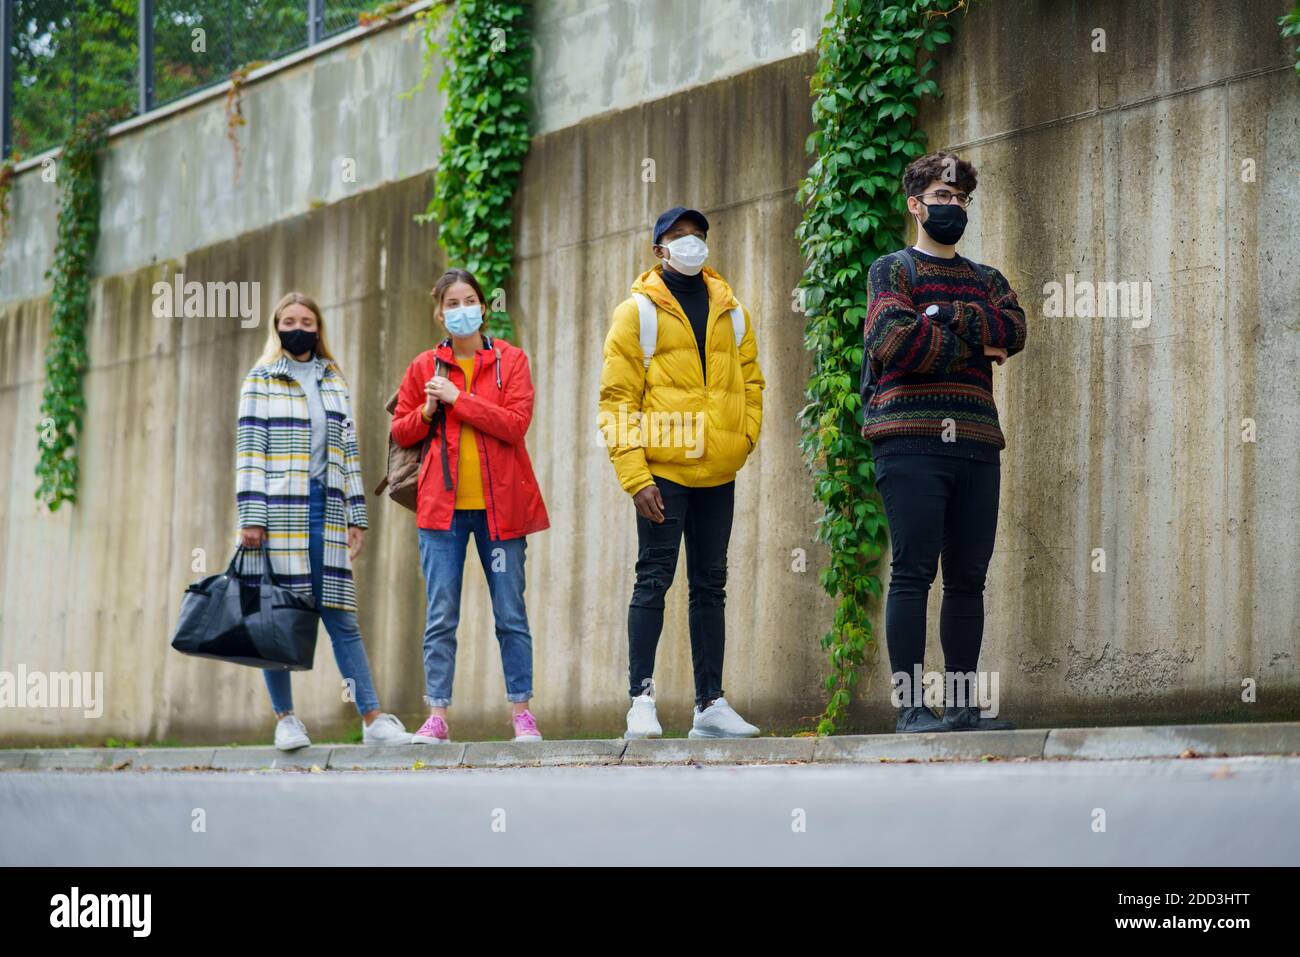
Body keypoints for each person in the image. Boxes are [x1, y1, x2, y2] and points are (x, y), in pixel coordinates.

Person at [860, 151, 1028, 733]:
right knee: (912, 572)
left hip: (978, 444)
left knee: (967, 579)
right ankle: (911, 708)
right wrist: (973, 342)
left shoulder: (989, 279)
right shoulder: (892, 270)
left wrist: (940, 314)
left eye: (960, 200)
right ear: (916, 205)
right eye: (942, 197)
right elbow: (894, 340)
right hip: (908, 442)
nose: (953, 208)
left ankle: (960, 706)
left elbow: (1015, 328)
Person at [598, 206, 765, 739]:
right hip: (663, 470)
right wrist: (636, 476)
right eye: (678, 236)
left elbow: (752, 382)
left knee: (710, 584)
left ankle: (709, 704)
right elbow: (617, 398)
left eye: (698, 235)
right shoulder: (638, 312)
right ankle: (641, 700)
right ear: (659, 250)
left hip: (718, 470)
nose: (691, 243)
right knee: (653, 580)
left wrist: (743, 439)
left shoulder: (731, 310)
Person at [237, 292, 411, 750]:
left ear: (319, 328)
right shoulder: (260, 380)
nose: (299, 327)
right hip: (277, 515)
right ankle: (286, 719)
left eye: (307, 320)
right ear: (277, 327)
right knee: (277, 617)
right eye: (290, 320)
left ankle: (372, 718)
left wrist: (357, 514)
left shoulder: (334, 379)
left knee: (340, 617)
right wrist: (251, 518)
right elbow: (250, 453)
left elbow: (349, 452)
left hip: (327, 512)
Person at [390, 269, 550, 744]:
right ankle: (437, 717)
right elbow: (400, 432)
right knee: (441, 615)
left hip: (502, 510)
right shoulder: (424, 366)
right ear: (439, 312)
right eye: (452, 303)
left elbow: (515, 424)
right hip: (441, 513)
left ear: (484, 306)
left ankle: (522, 714)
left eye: (470, 300)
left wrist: (459, 399)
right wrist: (425, 411)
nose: (462, 309)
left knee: (510, 614)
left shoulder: (510, 360)